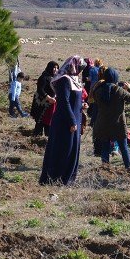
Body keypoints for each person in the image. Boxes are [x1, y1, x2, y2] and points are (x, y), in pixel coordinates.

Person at [40, 56, 86, 185]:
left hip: (75, 118)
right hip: (65, 120)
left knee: (72, 149)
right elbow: (64, 102)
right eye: (80, 68)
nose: (81, 71)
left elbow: (74, 99)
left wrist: (81, 105)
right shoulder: (64, 80)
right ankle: (56, 178)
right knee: (63, 148)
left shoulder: (75, 80)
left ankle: (68, 178)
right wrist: (71, 121)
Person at [92, 67, 130, 168]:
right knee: (123, 147)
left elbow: (94, 97)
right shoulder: (118, 90)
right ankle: (129, 168)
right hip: (118, 124)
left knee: (105, 147)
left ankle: (105, 169)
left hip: (103, 123)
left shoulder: (98, 90)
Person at [31, 61, 60, 136]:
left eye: (57, 68)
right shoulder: (43, 77)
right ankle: (36, 139)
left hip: (51, 104)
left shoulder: (55, 78)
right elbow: (40, 90)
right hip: (42, 104)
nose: (55, 69)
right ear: (50, 67)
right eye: (54, 67)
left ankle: (47, 140)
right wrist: (48, 98)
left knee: (49, 122)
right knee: (40, 122)